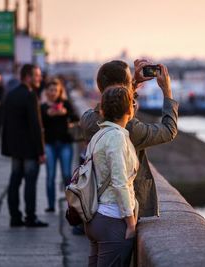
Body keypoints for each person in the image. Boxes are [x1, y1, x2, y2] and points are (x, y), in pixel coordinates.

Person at [80, 59, 178, 219]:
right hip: (119, 214)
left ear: (99, 86)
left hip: (92, 206)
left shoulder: (87, 120)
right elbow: (168, 131)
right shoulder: (129, 129)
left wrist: (132, 84)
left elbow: (114, 104)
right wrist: (167, 91)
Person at [84, 86, 138, 267]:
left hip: (95, 217)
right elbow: (119, 181)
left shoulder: (98, 135)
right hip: (112, 219)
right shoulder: (116, 137)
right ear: (129, 110)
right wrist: (131, 223)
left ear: (102, 110)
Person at [1, 64, 48, 227]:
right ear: (28, 77)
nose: (39, 78)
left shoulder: (11, 94)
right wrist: (41, 151)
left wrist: (6, 146)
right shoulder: (30, 96)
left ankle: (15, 217)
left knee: (14, 181)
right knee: (30, 183)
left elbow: (5, 123)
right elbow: (36, 126)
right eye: (37, 75)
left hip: (15, 148)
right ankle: (31, 217)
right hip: (29, 149)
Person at [41, 78, 79, 212]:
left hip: (65, 143)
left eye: (55, 90)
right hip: (49, 144)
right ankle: (51, 205)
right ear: (46, 92)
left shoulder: (66, 104)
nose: (53, 93)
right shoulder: (43, 107)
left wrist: (65, 113)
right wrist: (48, 114)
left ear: (59, 91)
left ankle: (71, 206)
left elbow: (76, 118)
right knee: (50, 176)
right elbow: (40, 124)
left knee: (66, 175)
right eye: (50, 90)